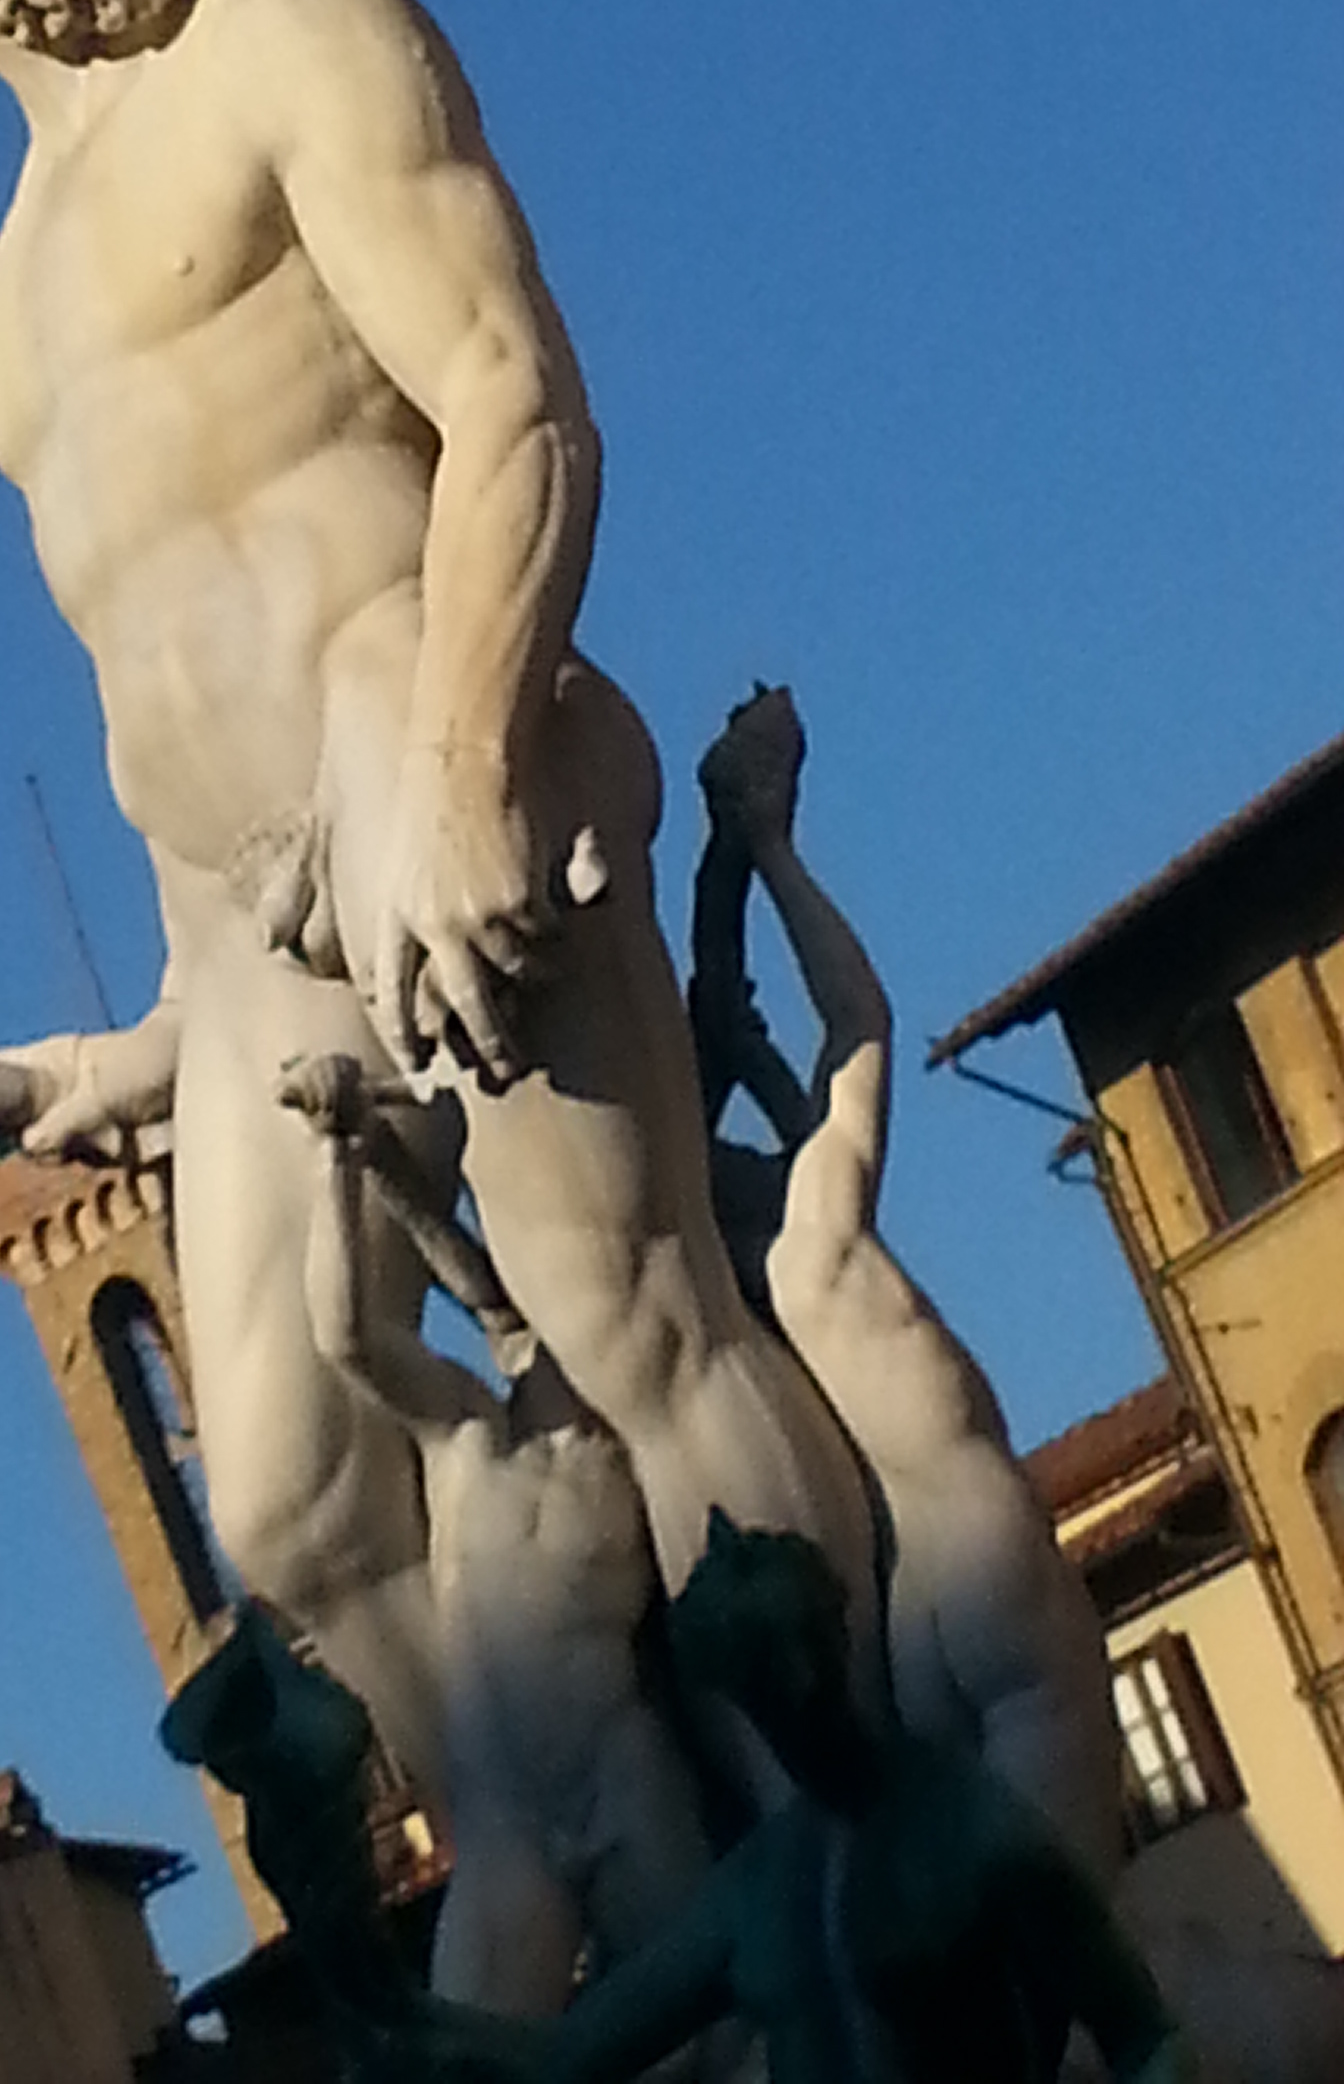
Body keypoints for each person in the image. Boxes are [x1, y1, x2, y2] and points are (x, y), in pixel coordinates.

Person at [0, 0, 877, 1795]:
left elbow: (515, 396)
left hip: (436, 734)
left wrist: (469, 761)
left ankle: (876, 1832)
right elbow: (173, 679)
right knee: (293, 1504)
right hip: (248, 931)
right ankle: (623, 1896)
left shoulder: (282, 31)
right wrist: (167, 1043)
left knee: (637, 1325)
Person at [688, 687, 1121, 1881]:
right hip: (988, 1563)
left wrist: (743, 1053)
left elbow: (783, 1122)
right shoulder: (823, 1237)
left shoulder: (741, 1301)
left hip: (898, 1633)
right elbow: (862, 1020)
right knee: (1083, 1927)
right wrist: (771, 845)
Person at [281, 1050, 718, 2024]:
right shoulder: (465, 1432)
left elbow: (496, 1289)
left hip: (622, 1782)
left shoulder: (645, 1436)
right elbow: (350, 1334)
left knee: (721, 2021)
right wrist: (337, 1160)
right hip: (509, 1820)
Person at [523, 1513, 1184, 2084]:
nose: (800, 1686)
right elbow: (569, 2057)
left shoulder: (973, 1829)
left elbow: (1144, 2034)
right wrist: (424, 2035)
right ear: (736, 1696)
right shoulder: (752, 1890)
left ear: (838, 1637)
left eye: (806, 1648)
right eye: (763, 1678)